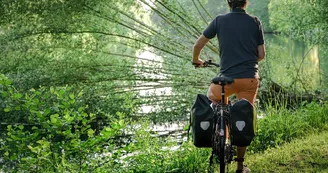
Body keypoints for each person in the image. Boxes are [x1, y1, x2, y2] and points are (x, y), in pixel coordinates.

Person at [192, 0, 265, 172]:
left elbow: (198, 45)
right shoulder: (255, 22)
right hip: (249, 79)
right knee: (244, 117)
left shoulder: (219, 20)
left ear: (229, 3)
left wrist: (197, 60)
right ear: (245, 3)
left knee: (214, 98)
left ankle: (221, 130)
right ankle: (240, 165)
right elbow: (261, 55)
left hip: (225, 80)